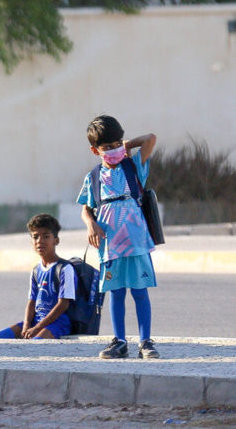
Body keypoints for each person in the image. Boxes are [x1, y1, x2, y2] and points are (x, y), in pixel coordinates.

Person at [77, 115, 159, 359]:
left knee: (140, 290)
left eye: (116, 144)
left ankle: (145, 341)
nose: (113, 150)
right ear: (95, 150)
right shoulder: (92, 178)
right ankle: (119, 340)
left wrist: (125, 145)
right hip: (110, 245)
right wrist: (91, 224)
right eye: (107, 147)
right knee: (116, 291)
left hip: (136, 243)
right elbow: (85, 208)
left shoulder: (133, 167)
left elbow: (150, 139)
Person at [0, 214, 76, 339]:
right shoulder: (36, 270)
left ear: (56, 240)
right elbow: (31, 301)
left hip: (57, 323)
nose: (40, 241)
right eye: (35, 237)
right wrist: (27, 325)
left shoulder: (65, 269)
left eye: (46, 236)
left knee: (36, 341)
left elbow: (63, 305)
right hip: (36, 321)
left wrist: (37, 328)